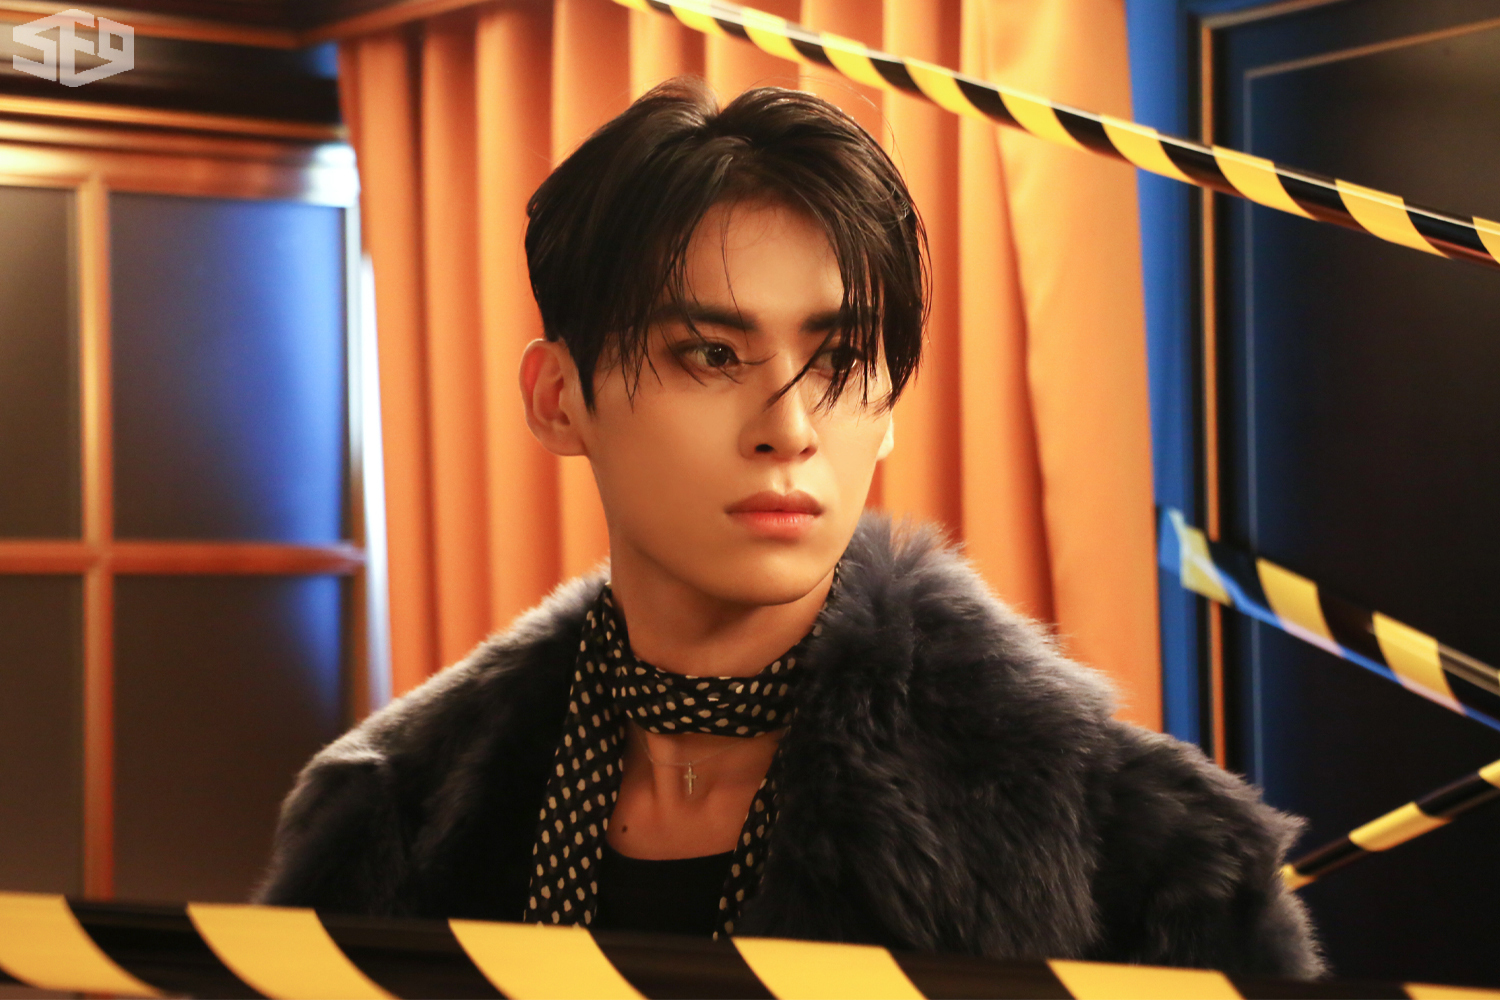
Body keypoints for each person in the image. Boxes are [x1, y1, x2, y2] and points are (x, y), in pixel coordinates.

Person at [256, 78, 1322, 976]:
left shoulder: (1145, 853)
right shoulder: (392, 810)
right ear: (558, 400)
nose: (791, 428)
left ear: (888, 407)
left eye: (841, 360)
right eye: (711, 355)